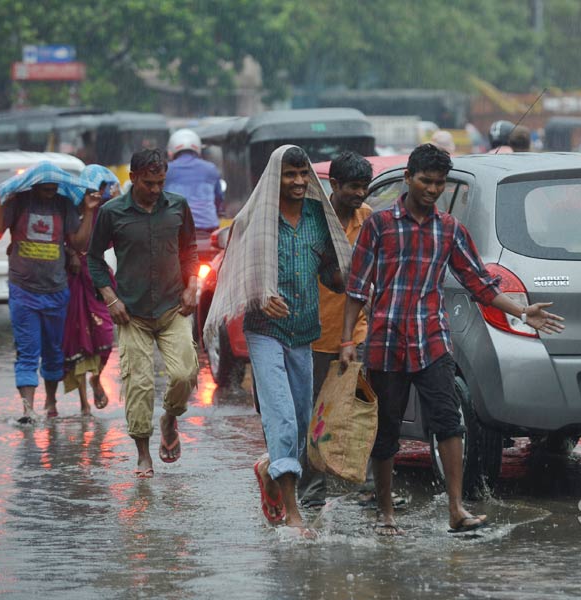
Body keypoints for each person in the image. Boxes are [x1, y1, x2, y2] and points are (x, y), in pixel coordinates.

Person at [339, 144, 565, 536]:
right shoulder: (378, 225)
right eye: (425, 181)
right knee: (386, 430)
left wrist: (522, 312)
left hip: (432, 341)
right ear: (407, 178)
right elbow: (357, 288)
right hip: (386, 343)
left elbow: (480, 283)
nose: (432, 189)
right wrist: (346, 340)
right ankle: (386, 512)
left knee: (449, 424)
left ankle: (456, 509)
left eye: (439, 184)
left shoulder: (449, 229)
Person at [201, 145, 351, 533]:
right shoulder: (255, 218)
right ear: (275, 178)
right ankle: (294, 513)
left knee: (302, 422)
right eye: (290, 175)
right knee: (282, 418)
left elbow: (331, 271)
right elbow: (237, 270)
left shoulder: (319, 216)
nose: (299, 182)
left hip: (304, 331)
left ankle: (270, 468)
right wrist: (260, 294)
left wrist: (352, 276)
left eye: (303, 175)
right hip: (264, 331)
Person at [87, 149, 200, 479]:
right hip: (130, 312)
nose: (154, 189)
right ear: (133, 177)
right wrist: (110, 298)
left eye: (160, 183)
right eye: (148, 183)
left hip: (172, 307)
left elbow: (189, 250)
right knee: (138, 383)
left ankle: (170, 417)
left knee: (184, 373)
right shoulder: (112, 212)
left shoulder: (177, 206)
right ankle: (142, 453)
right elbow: (94, 259)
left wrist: (193, 285)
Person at [0, 163, 99, 424]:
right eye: (45, 188)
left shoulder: (62, 205)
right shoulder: (19, 203)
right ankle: (28, 409)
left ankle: (51, 402)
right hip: (23, 290)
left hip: (56, 291)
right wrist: (2, 203)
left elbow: (78, 243)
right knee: (27, 351)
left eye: (53, 188)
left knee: (53, 352)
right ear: (34, 185)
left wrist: (89, 212)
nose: (50, 192)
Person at [297, 151, 378, 509]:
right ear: (335, 185)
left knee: (361, 407)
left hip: (357, 332)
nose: (360, 194)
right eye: (353, 187)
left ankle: (368, 486)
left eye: (365, 187)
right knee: (314, 413)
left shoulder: (370, 220)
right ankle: (312, 491)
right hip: (313, 334)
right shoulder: (312, 220)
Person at [61, 165, 121, 415]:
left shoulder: (109, 211)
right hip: (75, 277)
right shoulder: (75, 210)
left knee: (105, 335)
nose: (100, 193)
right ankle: (83, 402)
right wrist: (87, 209)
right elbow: (78, 242)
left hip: (99, 276)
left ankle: (97, 379)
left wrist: (116, 202)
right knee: (78, 339)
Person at [165, 128, 224, 237]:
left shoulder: (165, 170)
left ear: (172, 149)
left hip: (175, 230)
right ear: (198, 148)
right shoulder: (210, 169)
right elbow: (219, 199)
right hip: (208, 228)